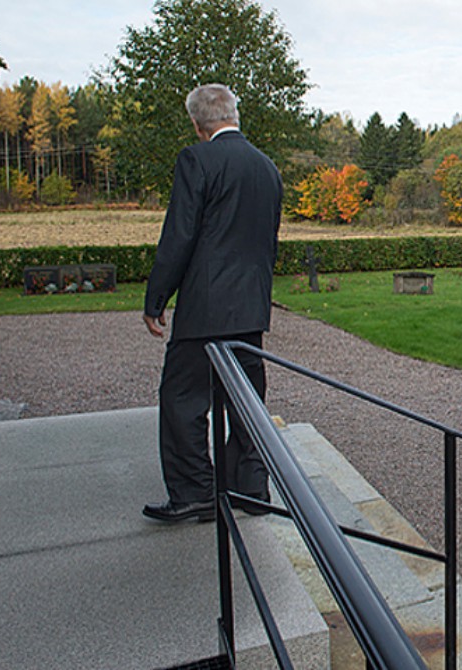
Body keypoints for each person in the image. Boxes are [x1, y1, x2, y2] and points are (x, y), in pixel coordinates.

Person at [141, 83, 283, 523]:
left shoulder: (196, 159)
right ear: (234, 114)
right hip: (250, 306)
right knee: (247, 404)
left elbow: (180, 235)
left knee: (183, 398)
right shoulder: (267, 167)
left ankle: (194, 491)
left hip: (205, 307)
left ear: (197, 123)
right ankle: (250, 489)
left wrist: (156, 297)